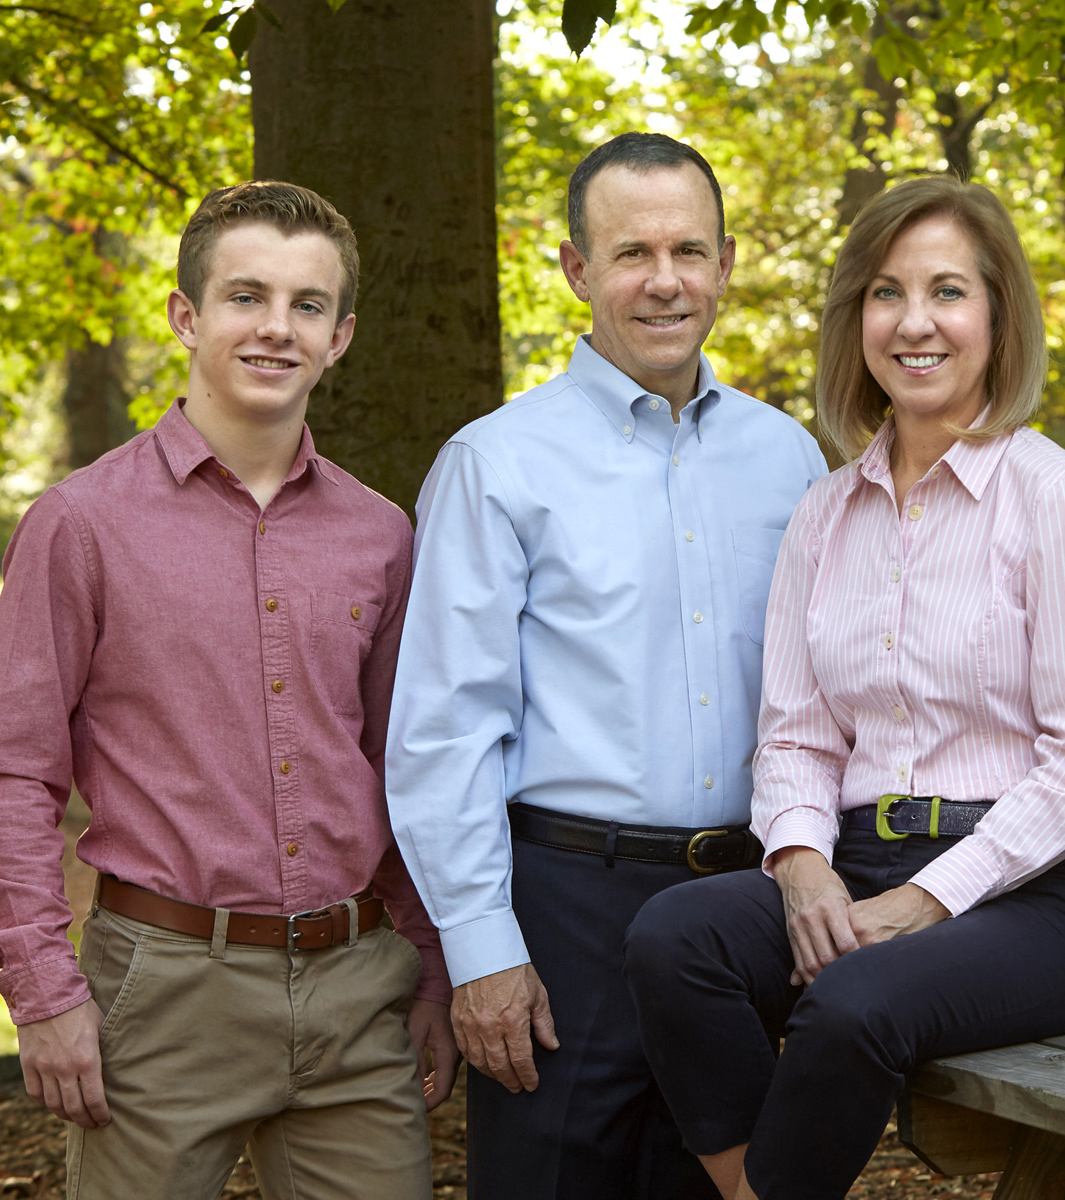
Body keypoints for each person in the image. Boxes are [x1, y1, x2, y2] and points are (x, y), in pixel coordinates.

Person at [622, 175, 1065, 1200]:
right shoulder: (825, 514)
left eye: (948, 292)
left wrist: (925, 900)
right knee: (675, 937)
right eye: (886, 293)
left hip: (1036, 896)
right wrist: (805, 866)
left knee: (856, 1001)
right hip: (857, 858)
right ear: (855, 315)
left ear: (997, 315)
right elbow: (795, 737)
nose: (915, 323)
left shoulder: (1064, 501)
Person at [0, 181, 457, 1199]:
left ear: (342, 335)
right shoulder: (80, 524)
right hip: (164, 992)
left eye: (307, 305)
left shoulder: (383, 536)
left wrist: (432, 967)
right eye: (246, 296)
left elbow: (402, 768)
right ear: (187, 314)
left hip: (359, 989)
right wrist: (43, 994)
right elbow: (11, 778)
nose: (276, 328)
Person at [384, 133, 827, 1200]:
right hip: (566, 912)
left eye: (689, 250)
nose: (664, 281)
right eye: (632, 253)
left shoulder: (793, 461)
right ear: (577, 269)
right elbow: (445, 731)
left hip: (738, 913)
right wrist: (483, 950)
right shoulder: (495, 464)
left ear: (727, 263)